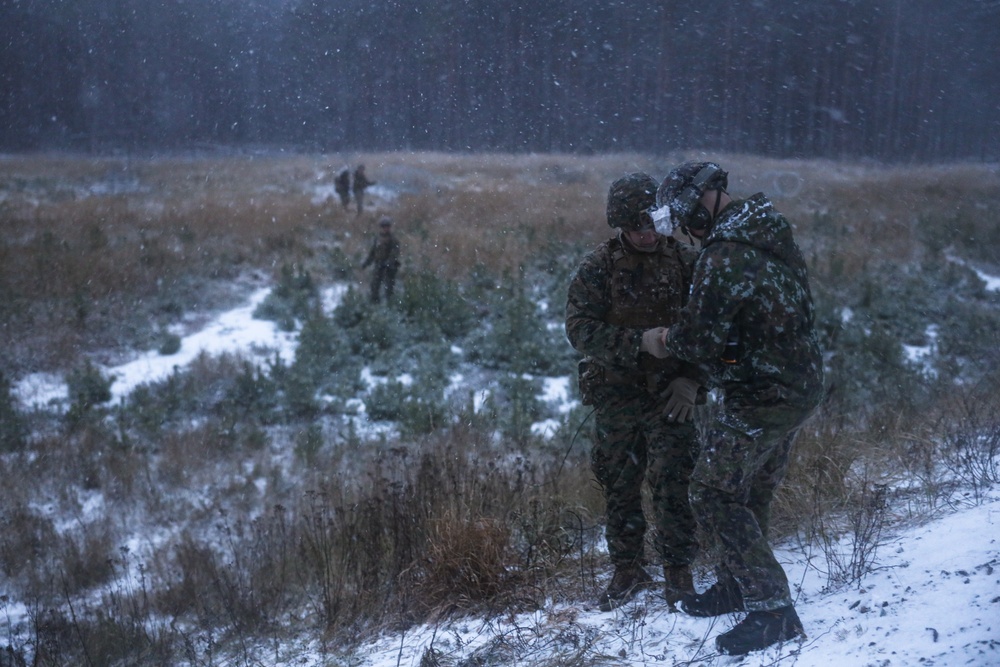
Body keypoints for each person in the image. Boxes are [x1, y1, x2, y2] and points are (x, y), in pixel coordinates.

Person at [644, 161, 824, 655]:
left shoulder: (724, 255)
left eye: (686, 219)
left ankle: (772, 612)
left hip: (765, 392)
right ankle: (736, 584)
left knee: (713, 490)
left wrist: (661, 340)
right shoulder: (765, 226)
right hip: (796, 382)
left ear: (702, 204)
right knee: (750, 487)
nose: (686, 231)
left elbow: (699, 338)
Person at [565, 172, 706, 613]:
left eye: (651, 224)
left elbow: (713, 329)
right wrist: (635, 343)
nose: (645, 234)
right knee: (620, 484)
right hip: (617, 395)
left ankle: (678, 572)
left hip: (671, 396)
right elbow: (579, 329)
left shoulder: (686, 262)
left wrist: (692, 380)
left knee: (672, 482)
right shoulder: (599, 266)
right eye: (635, 226)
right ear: (620, 225)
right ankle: (628, 568)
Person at [361, 216, 401, 303]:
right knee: (374, 285)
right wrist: (366, 263)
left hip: (389, 266)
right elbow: (373, 253)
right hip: (379, 264)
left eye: (387, 226)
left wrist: (389, 262)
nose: (385, 228)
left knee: (389, 287)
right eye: (384, 226)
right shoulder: (377, 238)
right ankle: (375, 303)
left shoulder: (393, 239)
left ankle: (390, 304)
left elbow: (395, 252)